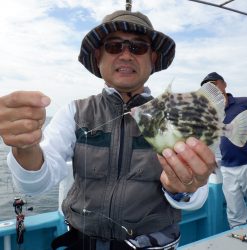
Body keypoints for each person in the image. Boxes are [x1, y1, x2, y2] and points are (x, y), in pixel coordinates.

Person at [0, 9, 216, 250]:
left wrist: (183, 188)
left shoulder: (175, 113)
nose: (125, 55)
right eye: (114, 46)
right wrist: (25, 147)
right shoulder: (74, 112)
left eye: (138, 47)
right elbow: (36, 185)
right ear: (98, 56)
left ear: (153, 58)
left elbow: (197, 197)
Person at [201, 72, 247, 229]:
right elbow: (208, 140)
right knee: (234, 213)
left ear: (224, 84)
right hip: (227, 167)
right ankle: (238, 238)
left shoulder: (245, 103)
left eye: (214, 84)